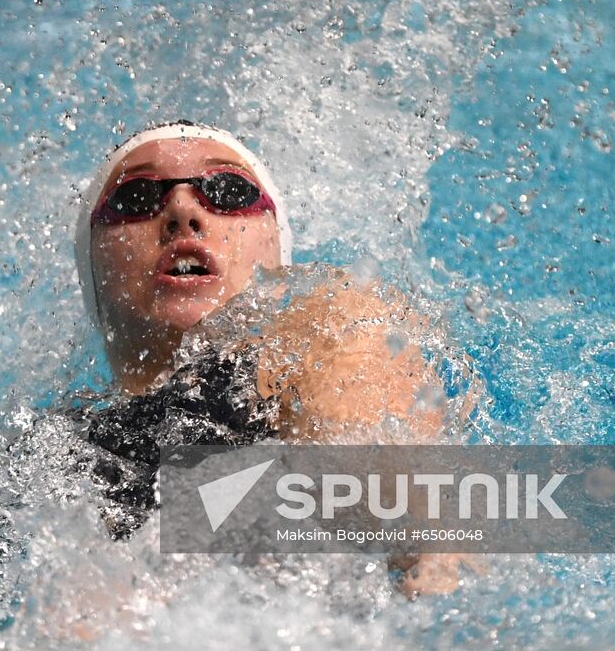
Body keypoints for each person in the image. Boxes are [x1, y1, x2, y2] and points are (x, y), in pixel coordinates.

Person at [70, 120, 468, 597]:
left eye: (227, 189)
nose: (181, 210)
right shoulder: (45, 455)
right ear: (93, 265)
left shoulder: (326, 333)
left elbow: (407, 525)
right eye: (135, 198)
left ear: (276, 248)